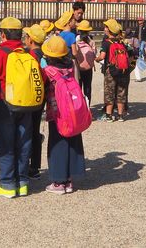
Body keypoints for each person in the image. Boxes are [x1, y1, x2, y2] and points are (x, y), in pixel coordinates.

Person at [0, 17, 33, 199]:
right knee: (24, 141)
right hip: (26, 103)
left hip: (4, 103)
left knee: (5, 143)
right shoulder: (27, 53)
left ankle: (7, 183)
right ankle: (23, 182)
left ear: (3, 34)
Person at [41, 36, 85, 194]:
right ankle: (68, 180)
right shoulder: (70, 66)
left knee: (57, 144)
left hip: (57, 113)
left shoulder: (49, 71)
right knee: (71, 141)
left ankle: (58, 182)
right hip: (71, 111)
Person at [22, 24, 47, 180]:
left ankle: (25, 165)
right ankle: (35, 166)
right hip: (41, 97)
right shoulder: (45, 55)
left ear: (30, 39)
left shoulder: (30, 56)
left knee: (27, 130)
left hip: (29, 97)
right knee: (35, 129)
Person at [95, 19, 130, 122]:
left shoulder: (106, 43)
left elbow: (102, 56)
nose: (104, 28)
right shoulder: (122, 43)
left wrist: (96, 59)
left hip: (111, 71)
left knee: (109, 92)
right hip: (123, 71)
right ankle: (120, 115)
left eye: (106, 27)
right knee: (121, 92)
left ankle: (109, 115)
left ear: (109, 30)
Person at [75, 20, 95, 103]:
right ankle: (87, 107)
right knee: (87, 88)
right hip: (88, 68)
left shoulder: (76, 40)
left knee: (78, 88)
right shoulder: (91, 41)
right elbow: (94, 54)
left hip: (78, 67)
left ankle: (80, 106)